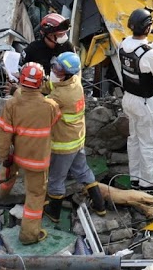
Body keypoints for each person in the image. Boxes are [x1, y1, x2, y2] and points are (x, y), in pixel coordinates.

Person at [0, 62, 61, 245]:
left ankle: (2, 194)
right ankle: (29, 235)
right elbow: (55, 120)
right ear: (41, 83)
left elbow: (3, 132)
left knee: (7, 174)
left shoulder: (12, 104)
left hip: (16, 155)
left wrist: (4, 156)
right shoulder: (50, 106)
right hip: (37, 161)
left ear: (21, 81)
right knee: (35, 195)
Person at [44, 52, 107, 222]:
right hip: (77, 139)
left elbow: (41, 106)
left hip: (63, 144)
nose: (54, 69)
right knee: (83, 171)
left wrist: (18, 91)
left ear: (65, 73)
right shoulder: (75, 83)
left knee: (56, 179)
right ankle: (99, 205)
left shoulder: (60, 96)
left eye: (57, 67)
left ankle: (53, 212)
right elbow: (54, 86)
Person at [118, 8, 153, 192]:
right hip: (146, 102)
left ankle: (135, 178)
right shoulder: (148, 54)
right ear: (148, 27)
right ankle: (147, 183)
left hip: (129, 98)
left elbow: (141, 50)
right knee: (149, 143)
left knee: (134, 139)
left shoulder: (124, 44)